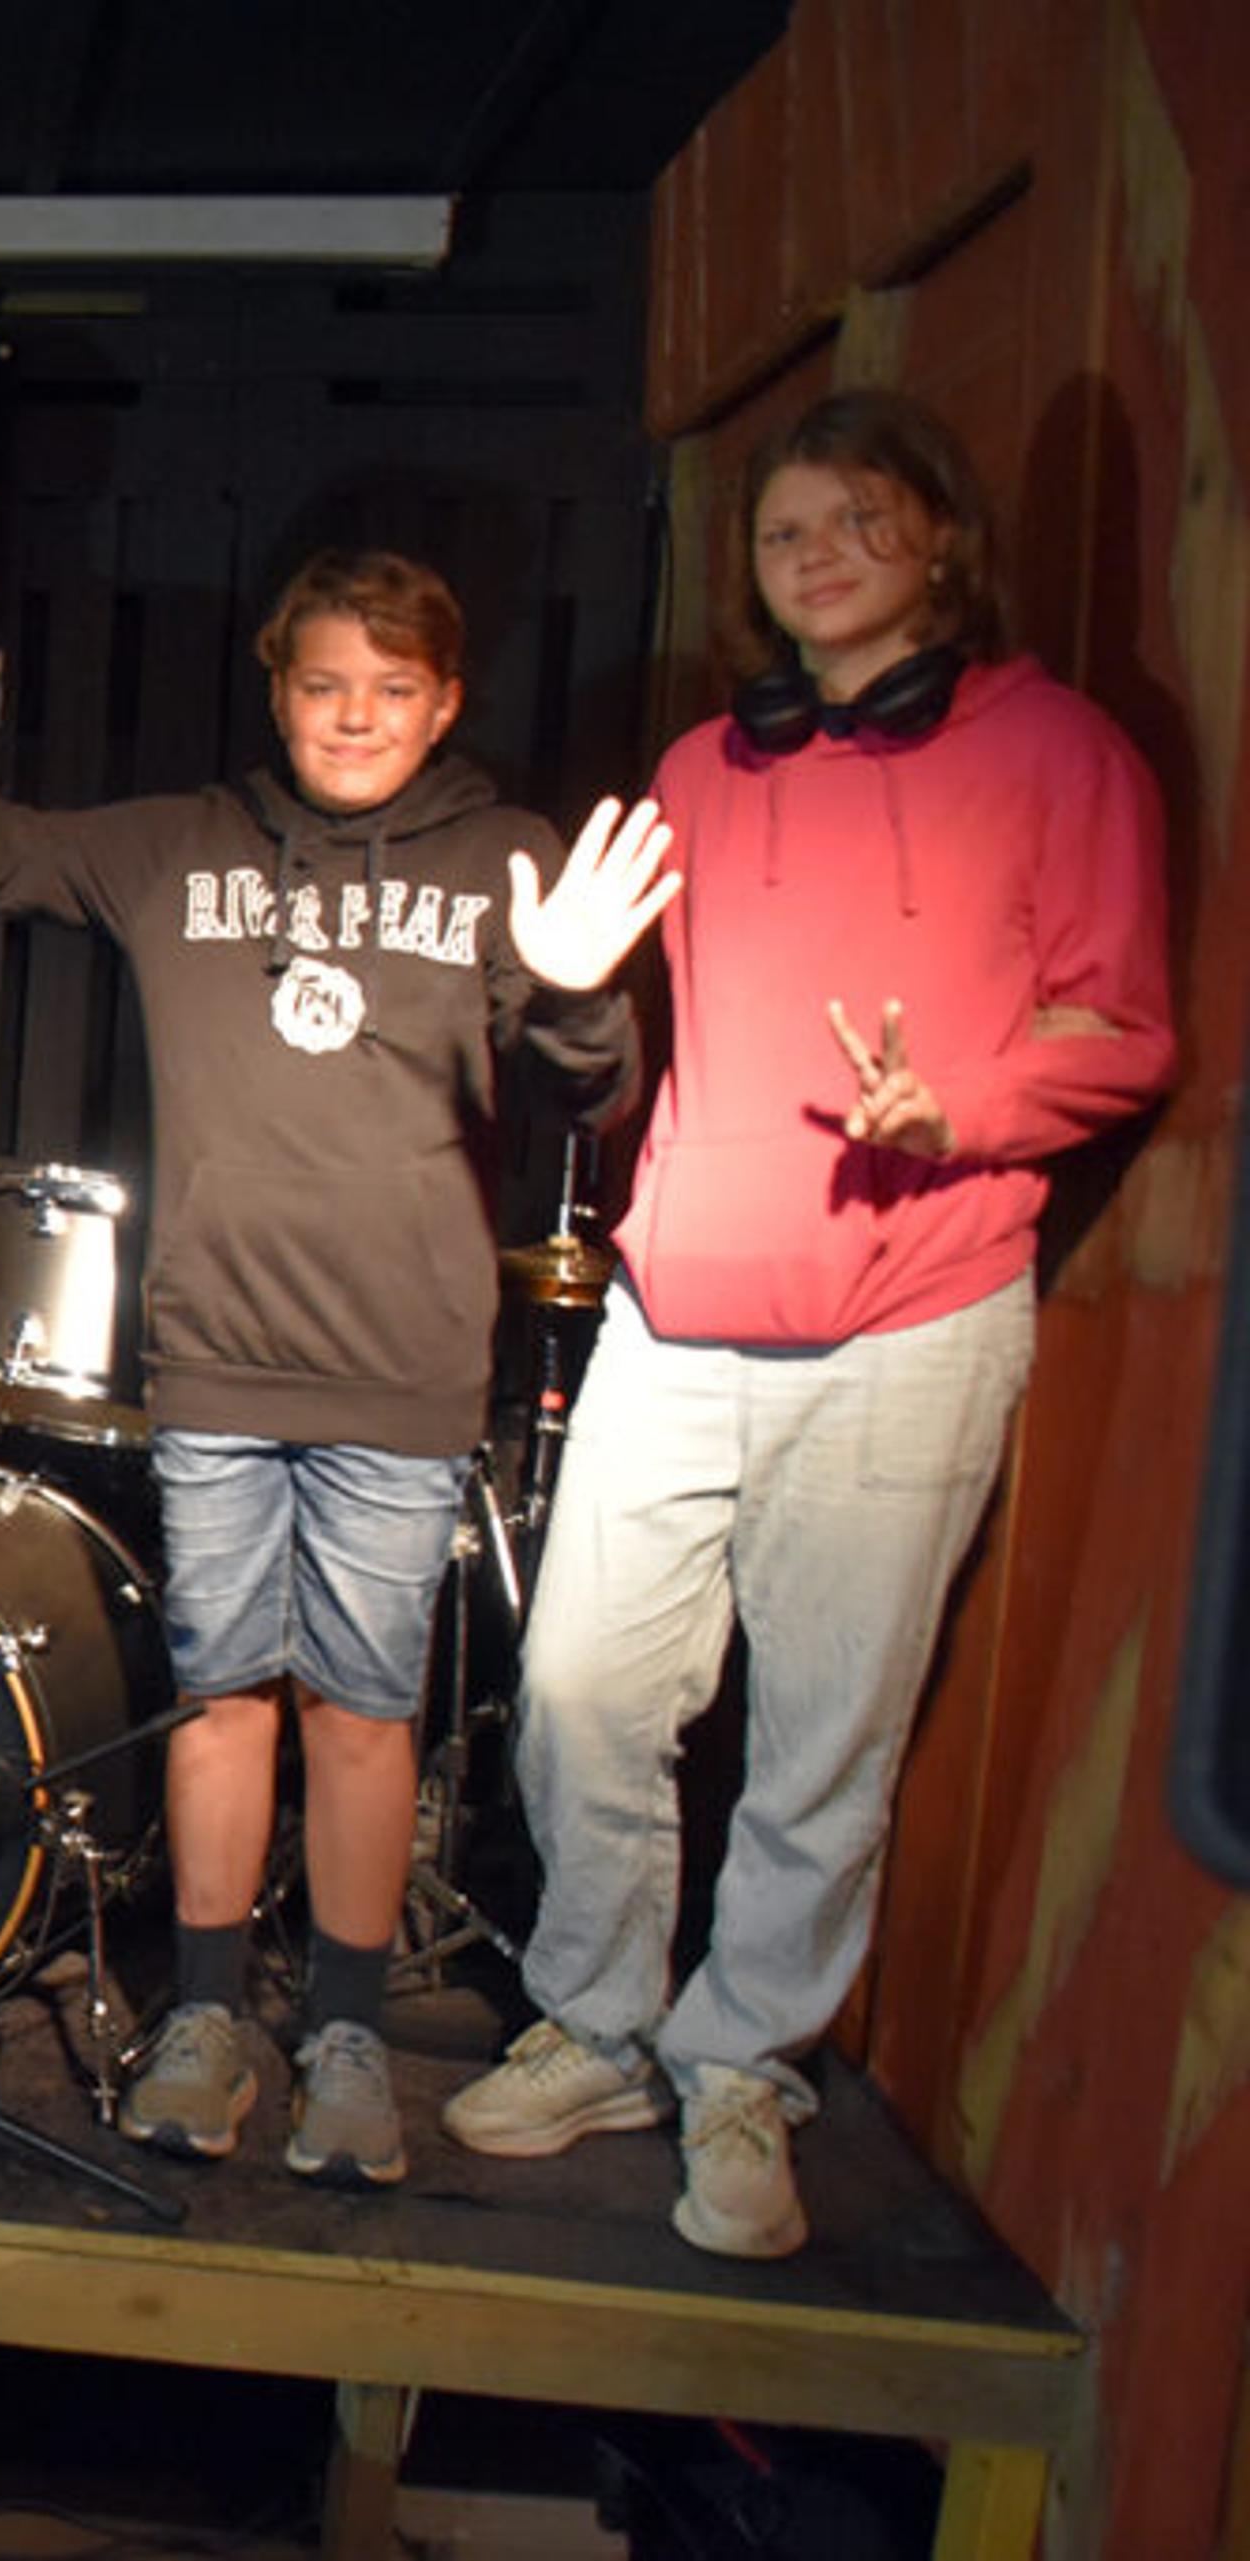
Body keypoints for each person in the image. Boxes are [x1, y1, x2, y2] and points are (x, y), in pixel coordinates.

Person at [442, 390, 1174, 2257]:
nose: (819, 555)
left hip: (910, 1312)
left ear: (940, 541)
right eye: (786, 533)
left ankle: (743, 2063)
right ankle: (600, 2022)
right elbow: (627, 1055)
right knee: (583, 1690)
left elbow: (1124, 1027)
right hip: (683, 1298)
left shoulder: (1063, 752)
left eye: (859, 520)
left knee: (822, 1736)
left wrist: (964, 1106)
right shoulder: (708, 768)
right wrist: (568, 995)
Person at [0, 518, 676, 2186]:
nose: (355, 714)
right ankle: (209, 2017)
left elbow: (590, 1089)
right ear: (278, 689)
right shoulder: (185, 845)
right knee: (223, 1699)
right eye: (324, 685)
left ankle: (351, 2038)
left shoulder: (502, 856)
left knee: (363, 1715)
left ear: (445, 702)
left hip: (402, 1372)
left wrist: (580, 994)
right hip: (222, 1360)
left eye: (391, 688)